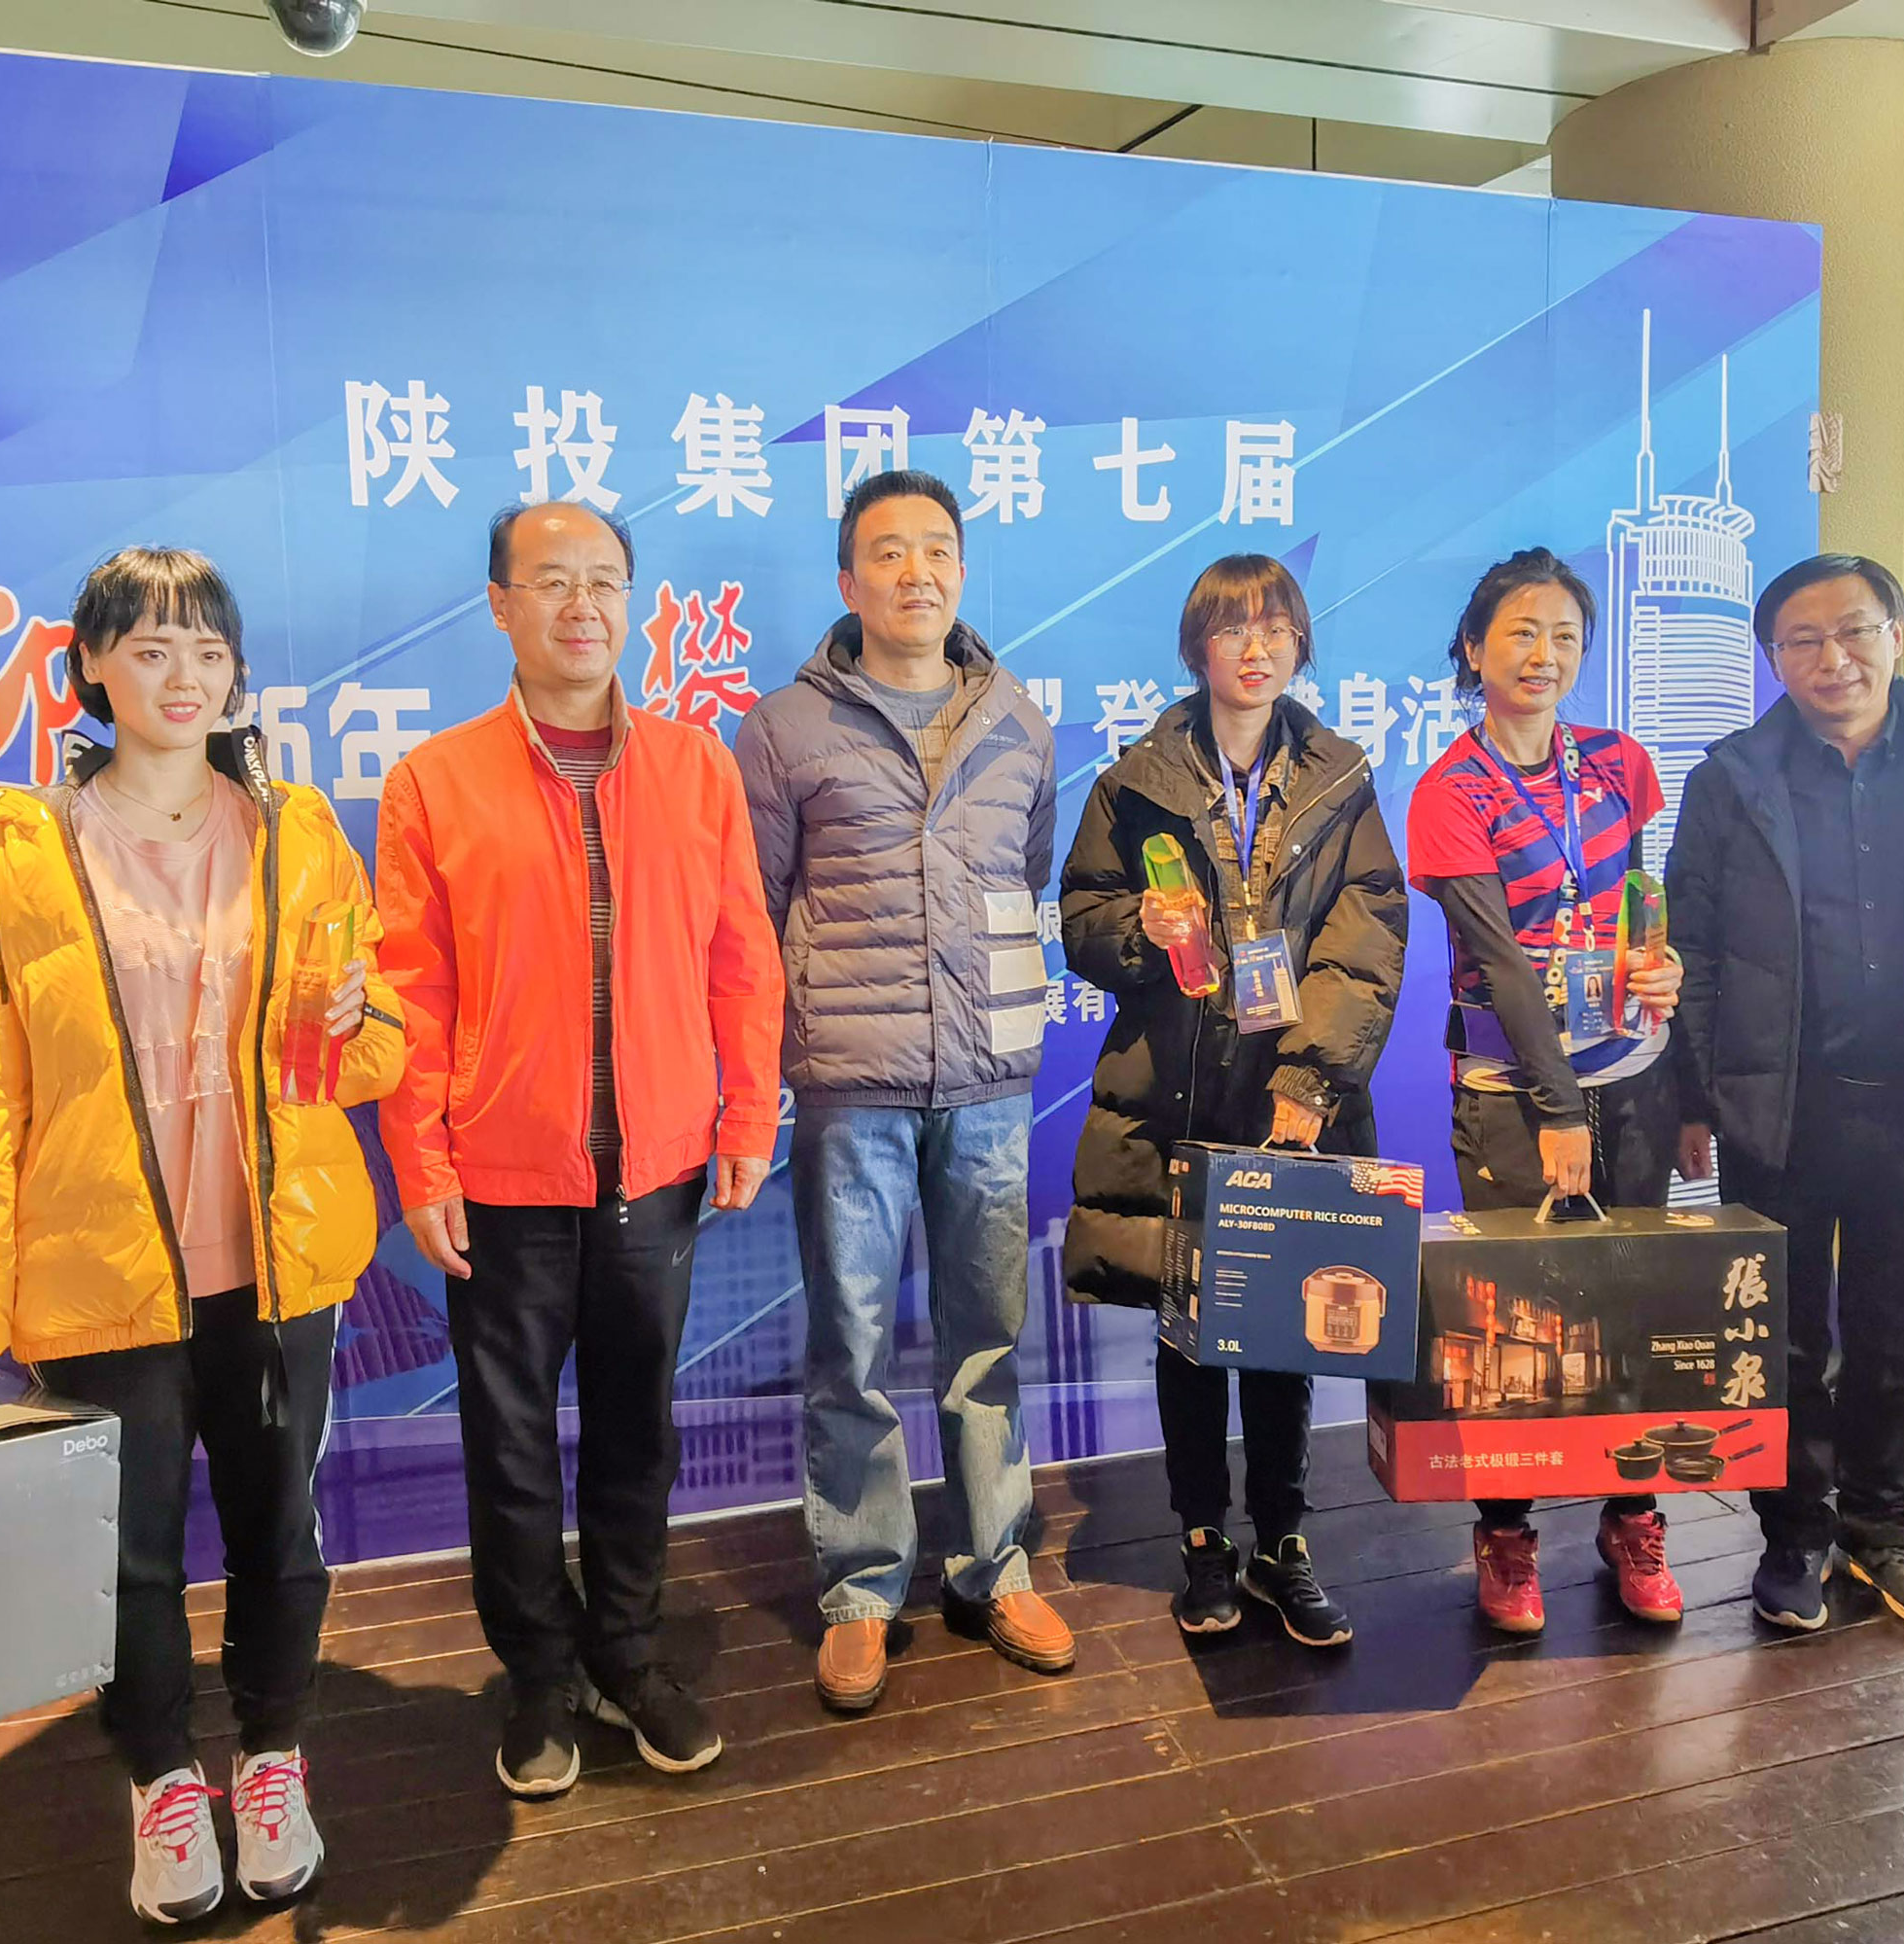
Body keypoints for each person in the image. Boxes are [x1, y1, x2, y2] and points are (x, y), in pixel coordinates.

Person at [0, 547, 405, 1925]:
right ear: (92, 668)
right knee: (130, 1557)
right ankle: (164, 1778)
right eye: (152, 648)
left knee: (280, 1531)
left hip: (277, 1263)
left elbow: (376, 1031)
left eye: (209, 651)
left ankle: (273, 1756)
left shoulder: (297, 829)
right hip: (98, 1276)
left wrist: (364, 1024)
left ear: (238, 674)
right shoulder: (23, 853)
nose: (185, 677)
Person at [375, 501, 783, 1797]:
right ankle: (538, 1675)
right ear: (500, 605)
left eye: (604, 579)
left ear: (632, 601)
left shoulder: (696, 766)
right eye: (551, 581)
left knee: (635, 1432)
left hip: (655, 1171)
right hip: (502, 1177)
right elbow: (411, 993)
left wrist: (747, 1112)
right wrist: (423, 1163)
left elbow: (741, 957)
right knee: (509, 1447)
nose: (581, 605)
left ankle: (627, 1652)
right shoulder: (434, 781)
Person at [1667, 552, 1904, 1637]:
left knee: (1900, 1338)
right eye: (1802, 640)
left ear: (1895, 637)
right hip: (1781, 1107)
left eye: (1852, 630)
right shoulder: (1731, 778)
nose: (1830, 657)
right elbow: (1692, 948)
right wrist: (1696, 1097)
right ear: (1774, 658)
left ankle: (1882, 1529)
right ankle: (1793, 1535)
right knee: (1779, 1339)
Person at [734, 469, 1069, 1714]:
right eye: (887, 551)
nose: (915, 571)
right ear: (847, 580)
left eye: (936, 549)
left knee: (990, 1338)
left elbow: (1026, 875)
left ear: (962, 573)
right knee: (852, 1346)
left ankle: (996, 1567)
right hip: (851, 1086)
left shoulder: (1021, 723)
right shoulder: (783, 729)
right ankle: (862, 1586)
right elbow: (756, 907)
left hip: (988, 1084)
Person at [1060, 554, 1406, 1646]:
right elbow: (1082, 917)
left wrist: (1310, 1082)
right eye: (1231, 628)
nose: (1255, 648)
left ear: (1301, 642)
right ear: (1195, 647)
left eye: (1275, 627)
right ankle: (1203, 1539)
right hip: (1175, 1097)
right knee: (1189, 1336)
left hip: (1290, 1102)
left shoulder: (1342, 779)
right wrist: (1140, 931)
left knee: (1286, 1332)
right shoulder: (1133, 782)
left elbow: (1364, 940)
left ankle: (1284, 1543)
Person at [1406, 547, 1690, 1638]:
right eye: (1521, 632)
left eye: (1566, 634)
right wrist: (1561, 1109)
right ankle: (1508, 1532)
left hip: (1636, 1074)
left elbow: (1639, 909)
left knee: (1638, 1313)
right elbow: (1502, 964)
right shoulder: (1450, 791)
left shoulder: (1620, 764)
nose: (1544, 653)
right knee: (1515, 1325)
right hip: (1512, 1094)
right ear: (1473, 649)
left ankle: (1633, 1516)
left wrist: (1664, 973)